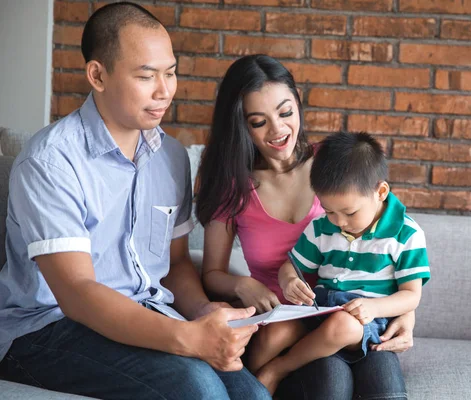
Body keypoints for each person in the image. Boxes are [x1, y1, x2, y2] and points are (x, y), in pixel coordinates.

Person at [0, 3, 269, 400]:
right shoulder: (50, 161)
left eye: (171, 72)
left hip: (145, 312)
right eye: (146, 76)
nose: (165, 91)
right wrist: (186, 338)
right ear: (98, 75)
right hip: (45, 329)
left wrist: (199, 312)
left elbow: (175, 262)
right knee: (198, 388)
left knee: (254, 396)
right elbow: (76, 292)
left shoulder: (172, 157)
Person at [196, 54, 418, 400]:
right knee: (331, 383)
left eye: (285, 112)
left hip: (350, 316)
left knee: (382, 380)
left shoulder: (333, 164)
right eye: (259, 121)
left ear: (298, 103)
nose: (278, 130)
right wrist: (243, 285)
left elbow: (388, 237)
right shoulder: (233, 184)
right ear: (241, 124)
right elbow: (211, 273)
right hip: (283, 325)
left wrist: (408, 310)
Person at [249, 131, 430, 394]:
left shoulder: (406, 234)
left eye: (350, 212)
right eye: (329, 210)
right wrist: (289, 281)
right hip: (320, 310)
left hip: (365, 320)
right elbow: (292, 266)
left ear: (380, 192)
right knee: (272, 335)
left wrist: (374, 307)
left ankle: (280, 368)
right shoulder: (322, 227)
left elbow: (411, 296)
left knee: (343, 326)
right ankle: (247, 386)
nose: (340, 222)